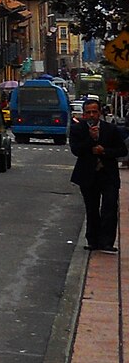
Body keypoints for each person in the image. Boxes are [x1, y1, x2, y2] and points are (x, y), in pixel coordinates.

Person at [68, 98, 124, 253]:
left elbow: (122, 151)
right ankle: (93, 240)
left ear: (100, 113)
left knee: (109, 207)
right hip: (88, 175)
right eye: (88, 112)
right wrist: (90, 140)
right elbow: (76, 150)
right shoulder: (77, 129)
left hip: (108, 175)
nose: (92, 115)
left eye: (94, 112)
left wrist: (104, 151)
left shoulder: (111, 129)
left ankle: (107, 242)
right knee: (92, 208)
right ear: (84, 114)